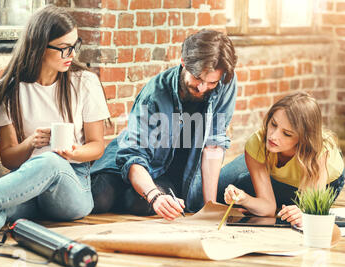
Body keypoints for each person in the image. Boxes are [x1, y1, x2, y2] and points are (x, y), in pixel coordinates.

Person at [0, 5, 110, 245]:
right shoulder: (10, 88)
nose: (72, 55)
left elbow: (97, 146)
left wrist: (73, 152)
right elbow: (9, 159)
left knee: (52, 161)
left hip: (72, 190)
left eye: (75, 46)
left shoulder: (85, 82)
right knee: (5, 206)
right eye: (64, 48)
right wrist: (30, 143)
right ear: (40, 47)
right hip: (28, 183)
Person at [91, 29, 238, 221]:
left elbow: (214, 144)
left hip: (170, 174)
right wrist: (154, 195)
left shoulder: (224, 82)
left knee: (142, 204)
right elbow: (134, 156)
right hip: (130, 162)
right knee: (100, 199)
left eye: (211, 83)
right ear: (184, 62)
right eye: (198, 79)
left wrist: (209, 207)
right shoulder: (154, 96)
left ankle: (136, 192)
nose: (203, 88)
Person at [217, 92, 345, 227]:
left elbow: (313, 211)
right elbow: (268, 209)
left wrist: (304, 213)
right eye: (273, 124)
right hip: (279, 180)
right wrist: (244, 198)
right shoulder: (258, 141)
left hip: (326, 185)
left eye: (287, 134)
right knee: (222, 192)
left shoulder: (318, 150)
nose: (273, 136)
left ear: (302, 139)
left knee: (294, 214)